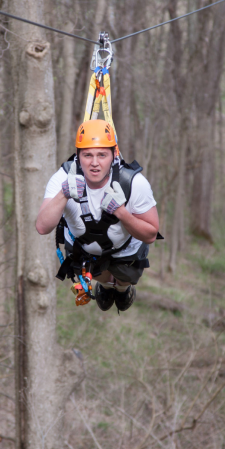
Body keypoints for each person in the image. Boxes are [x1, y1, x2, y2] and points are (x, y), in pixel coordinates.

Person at [36, 119, 160, 313]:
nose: (94, 163)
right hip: (85, 250)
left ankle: (122, 289)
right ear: (77, 156)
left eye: (102, 155)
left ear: (114, 155)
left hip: (126, 251)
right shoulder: (63, 178)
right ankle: (106, 286)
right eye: (87, 155)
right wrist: (63, 194)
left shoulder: (134, 183)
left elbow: (151, 234)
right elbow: (42, 227)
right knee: (98, 272)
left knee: (124, 277)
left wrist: (121, 212)